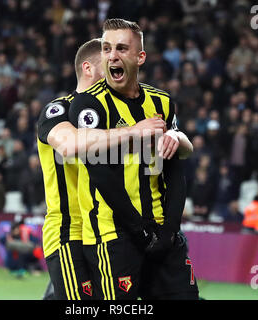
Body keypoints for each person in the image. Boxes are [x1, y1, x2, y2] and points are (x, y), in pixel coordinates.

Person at [37, 39, 178, 300]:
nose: (117, 65)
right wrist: (133, 131)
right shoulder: (59, 110)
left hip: (111, 229)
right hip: (70, 230)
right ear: (88, 68)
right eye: (108, 61)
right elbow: (69, 144)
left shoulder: (121, 112)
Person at [69, 19, 198, 300]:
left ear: (140, 57)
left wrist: (168, 231)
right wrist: (140, 229)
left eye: (121, 48)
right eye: (106, 49)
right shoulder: (89, 104)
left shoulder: (162, 102)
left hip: (162, 231)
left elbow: (176, 171)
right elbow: (101, 173)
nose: (112, 56)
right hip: (113, 236)